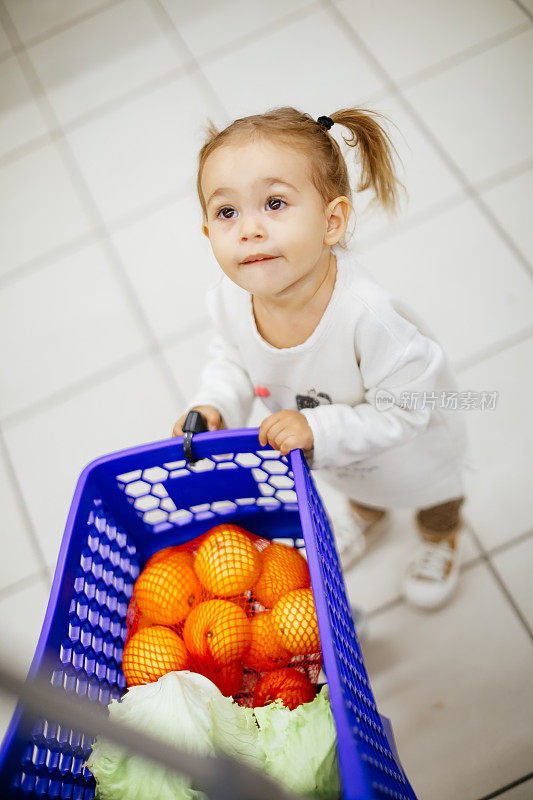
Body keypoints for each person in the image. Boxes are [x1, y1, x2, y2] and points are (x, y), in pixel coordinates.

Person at [172, 106, 469, 611]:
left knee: (432, 495)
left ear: (332, 220)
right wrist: (217, 403)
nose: (249, 229)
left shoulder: (368, 316)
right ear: (207, 231)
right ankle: (369, 514)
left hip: (410, 446)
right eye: (227, 213)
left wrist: (319, 431)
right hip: (340, 454)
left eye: (274, 203)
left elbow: (406, 410)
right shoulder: (227, 298)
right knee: (361, 486)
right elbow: (231, 355)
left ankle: (441, 539)